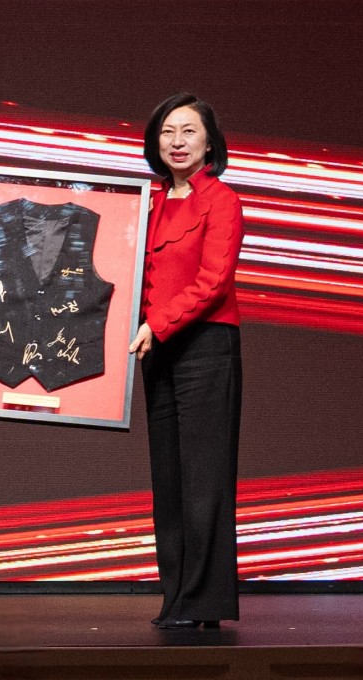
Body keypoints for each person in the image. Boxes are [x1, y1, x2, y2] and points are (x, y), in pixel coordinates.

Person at [129, 93, 245, 629]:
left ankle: (206, 604)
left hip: (204, 346)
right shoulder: (146, 204)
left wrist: (157, 324)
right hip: (159, 348)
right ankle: (177, 598)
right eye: (167, 132)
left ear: (208, 143)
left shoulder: (221, 200)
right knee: (169, 481)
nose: (176, 142)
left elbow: (213, 282)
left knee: (205, 479)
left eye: (188, 132)